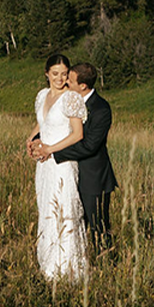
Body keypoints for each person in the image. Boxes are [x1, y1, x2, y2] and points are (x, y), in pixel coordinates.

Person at [39, 61, 118, 257]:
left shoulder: (101, 109)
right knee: (72, 221)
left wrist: (55, 153)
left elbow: (89, 145)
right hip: (67, 172)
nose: (65, 82)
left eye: (70, 80)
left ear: (83, 86)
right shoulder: (69, 100)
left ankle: (106, 262)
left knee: (97, 223)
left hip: (93, 176)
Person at [26, 53, 89, 281]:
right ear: (46, 74)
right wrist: (32, 137)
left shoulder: (71, 98)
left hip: (62, 163)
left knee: (64, 210)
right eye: (55, 74)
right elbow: (44, 120)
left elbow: (78, 134)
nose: (60, 78)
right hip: (44, 164)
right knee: (47, 210)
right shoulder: (43, 95)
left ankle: (68, 270)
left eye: (64, 74)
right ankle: (48, 266)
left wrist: (50, 148)